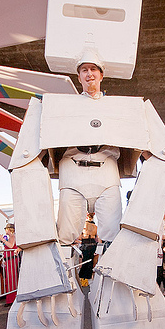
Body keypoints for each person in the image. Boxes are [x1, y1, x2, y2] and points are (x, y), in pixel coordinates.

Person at [56, 54, 122, 248]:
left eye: (93, 69)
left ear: (101, 75)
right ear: (79, 77)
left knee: (113, 233)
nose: (89, 74)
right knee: (65, 234)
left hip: (106, 170)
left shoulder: (115, 107)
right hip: (73, 169)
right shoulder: (66, 107)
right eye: (84, 70)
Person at [0, 223, 19, 306]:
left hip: (11, 260)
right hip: (10, 260)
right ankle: (11, 298)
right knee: (11, 278)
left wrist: (2, 239)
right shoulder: (11, 237)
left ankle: (12, 298)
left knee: (11, 279)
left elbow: (10, 246)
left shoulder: (12, 236)